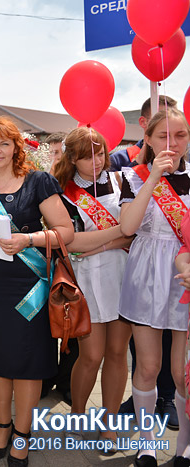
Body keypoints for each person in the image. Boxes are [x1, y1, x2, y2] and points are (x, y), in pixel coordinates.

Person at [0, 117, 74, 467]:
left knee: (27, 363)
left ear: (15, 147)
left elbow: (65, 231)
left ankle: (23, 434)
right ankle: (2, 426)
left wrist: (29, 239)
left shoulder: (38, 182)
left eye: (4, 144)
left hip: (30, 287)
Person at [118, 109, 190, 467]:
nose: (172, 144)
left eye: (180, 135)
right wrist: (154, 179)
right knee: (147, 365)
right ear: (148, 138)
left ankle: (185, 446)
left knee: (182, 372)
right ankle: (146, 442)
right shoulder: (133, 176)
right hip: (146, 272)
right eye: (163, 136)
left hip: (184, 273)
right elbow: (128, 227)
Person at [52, 127, 133, 448]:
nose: (96, 161)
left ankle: (110, 426)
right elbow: (70, 243)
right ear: (72, 159)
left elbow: (133, 232)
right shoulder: (63, 192)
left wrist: (99, 245)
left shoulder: (124, 182)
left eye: (100, 153)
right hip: (85, 282)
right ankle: (77, 414)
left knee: (117, 353)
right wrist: (116, 235)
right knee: (91, 355)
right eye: (87, 156)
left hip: (123, 276)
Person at [110, 96, 178, 171]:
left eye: (174, 118)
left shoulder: (180, 157)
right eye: (161, 118)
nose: (169, 124)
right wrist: (137, 163)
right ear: (143, 122)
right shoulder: (119, 159)